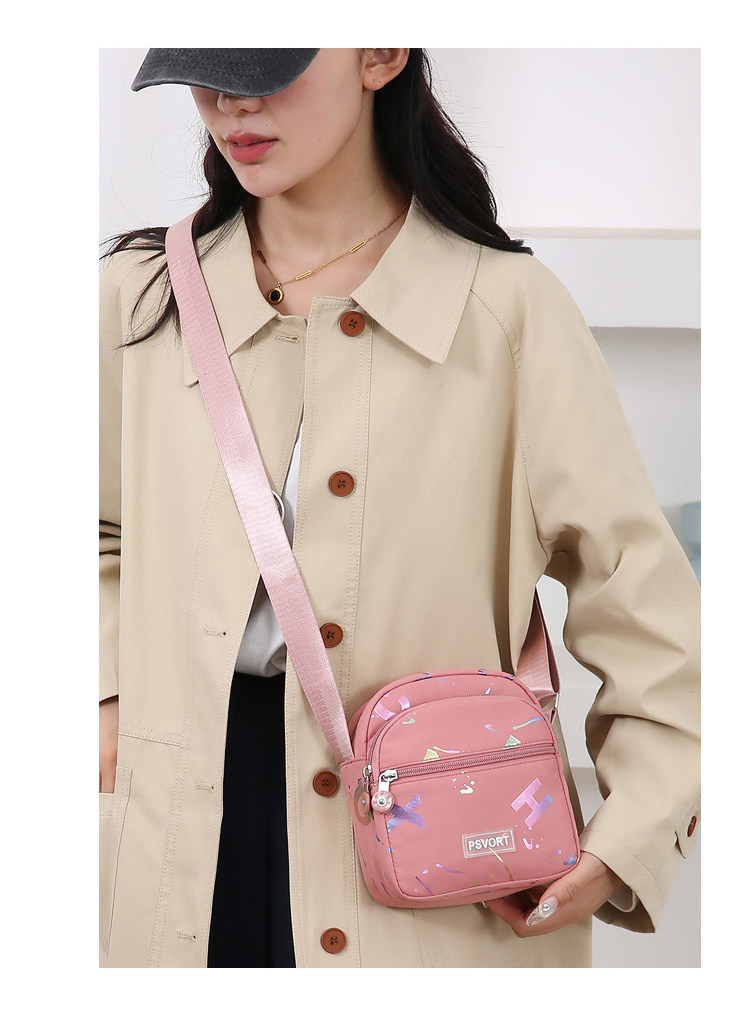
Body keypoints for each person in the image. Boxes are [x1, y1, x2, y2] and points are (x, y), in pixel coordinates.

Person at [99, 48, 700, 969]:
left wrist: (629, 839)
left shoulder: (508, 312)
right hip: (181, 822)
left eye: (265, 67)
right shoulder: (140, 300)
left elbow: (644, 606)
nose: (226, 102)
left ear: (380, 52)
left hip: (440, 846)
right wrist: (102, 699)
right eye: (204, 68)